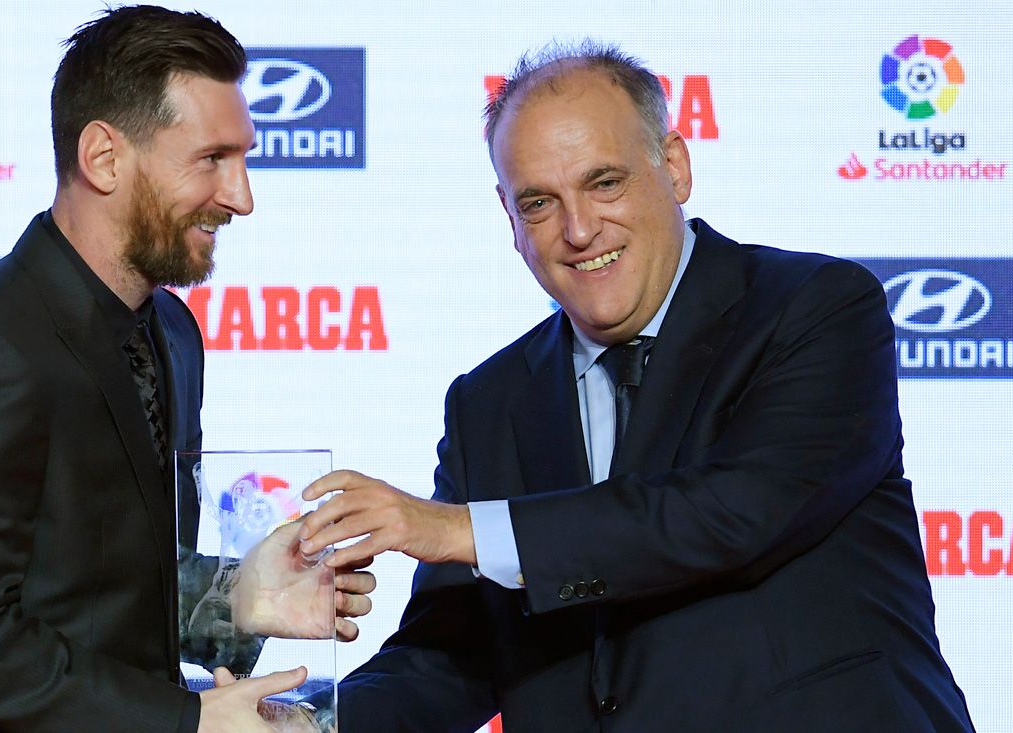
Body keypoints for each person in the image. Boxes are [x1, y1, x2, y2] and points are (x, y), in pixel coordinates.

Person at [298, 43, 975, 731]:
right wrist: (299, 723)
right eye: (540, 202)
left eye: (604, 183)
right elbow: (449, 658)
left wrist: (455, 527)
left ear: (674, 166)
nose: (579, 230)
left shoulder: (816, 309)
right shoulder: (487, 403)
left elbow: (731, 514)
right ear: (510, 217)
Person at [0, 7, 372, 732]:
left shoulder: (171, 329)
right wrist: (184, 721)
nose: (242, 197)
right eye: (212, 159)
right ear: (104, 158)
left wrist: (239, 599)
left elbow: (104, 585)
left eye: (243, 158)